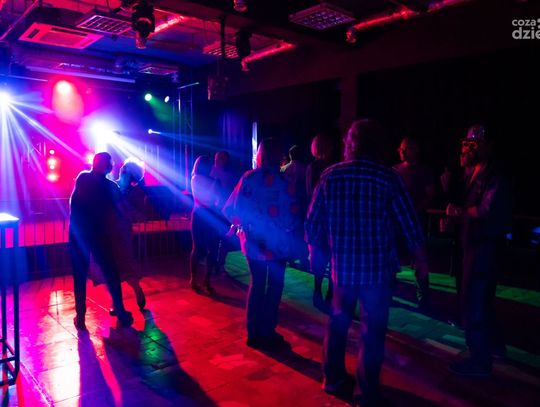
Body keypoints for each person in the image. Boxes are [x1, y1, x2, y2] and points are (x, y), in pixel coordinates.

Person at [305, 119, 428, 407]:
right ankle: (366, 394)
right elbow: (410, 224)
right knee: (372, 333)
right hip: (377, 272)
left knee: (338, 324)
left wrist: (314, 251)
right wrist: (421, 260)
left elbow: (311, 223)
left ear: (351, 144)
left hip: (342, 269)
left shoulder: (330, 175)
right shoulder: (388, 177)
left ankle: (332, 379)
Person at [446, 125, 511, 377]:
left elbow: (487, 209)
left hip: (484, 246)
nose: (470, 148)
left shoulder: (495, 173)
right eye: (467, 143)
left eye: (476, 144)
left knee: (475, 301)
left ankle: (479, 361)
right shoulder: (474, 171)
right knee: (480, 300)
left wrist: (460, 212)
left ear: (489, 145)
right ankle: (494, 347)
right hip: (473, 244)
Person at [223, 138, 298, 350]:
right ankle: (267, 331)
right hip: (278, 243)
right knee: (274, 287)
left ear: (260, 154)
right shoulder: (284, 181)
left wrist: (244, 227)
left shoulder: (250, 177)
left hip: (254, 242)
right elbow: (292, 216)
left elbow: (231, 209)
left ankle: (253, 333)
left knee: (257, 285)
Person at [69, 152, 133, 330]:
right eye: (111, 164)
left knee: (79, 275)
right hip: (99, 234)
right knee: (111, 272)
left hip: (78, 234)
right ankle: (120, 310)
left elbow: (74, 204)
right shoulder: (109, 186)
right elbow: (121, 207)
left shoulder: (82, 178)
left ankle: (80, 316)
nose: (113, 166)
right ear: (107, 166)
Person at [393, 136, 436, 311]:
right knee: (392, 258)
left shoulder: (424, 171)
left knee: (419, 260)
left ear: (416, 150)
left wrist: (415, 209)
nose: (403, 152)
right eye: (401, 148)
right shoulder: (394, 170)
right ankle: (389, 294)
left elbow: (430, 194)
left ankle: (423, 299)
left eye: (408, 148)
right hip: (396, 224)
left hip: (416, 222)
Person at [108, 158, 147, 314]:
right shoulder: (113, 185)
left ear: (131, 175)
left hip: (122, 231)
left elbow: (137, 214)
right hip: (112, 230)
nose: (121, 170)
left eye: (125, 170)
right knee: (113, 267)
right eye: (122, 168)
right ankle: (117, 302)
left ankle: (136, 290)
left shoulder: (133, 193)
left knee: (123, 265)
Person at [306, 134, 336, 312]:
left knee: (320, 259)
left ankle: (318, 292)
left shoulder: (313, 167)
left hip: (318, 218)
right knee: (332, 259)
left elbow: (310, 194)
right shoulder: (332, 166)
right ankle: (329, 294)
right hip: (331, 218)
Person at [190, 155, 220, 294]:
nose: (212, 167)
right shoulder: (201, 179)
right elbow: (212, 199)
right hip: (206, 214)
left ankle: (197, 280)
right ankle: (203, 280)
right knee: (206, 249)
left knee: (201, 249)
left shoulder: (195, 178)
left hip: (199, 214)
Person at [210, 151, 239, 274]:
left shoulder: (228, 174)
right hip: (218, 209)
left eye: (219, 159)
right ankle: (216, 264)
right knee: (218, 238)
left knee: (225, 238)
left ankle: (220, 263)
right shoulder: (214, 171)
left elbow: (232, 191)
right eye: (217, 159)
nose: (217, 161)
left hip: (225, 210)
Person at [281, 145, 309, 270]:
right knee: (301, 232)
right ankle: (303, 259)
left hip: (287, 205)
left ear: (290, 155)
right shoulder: (306, 169)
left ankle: (290, 257)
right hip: (301, 203)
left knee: (288, 232)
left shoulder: (283, 169)